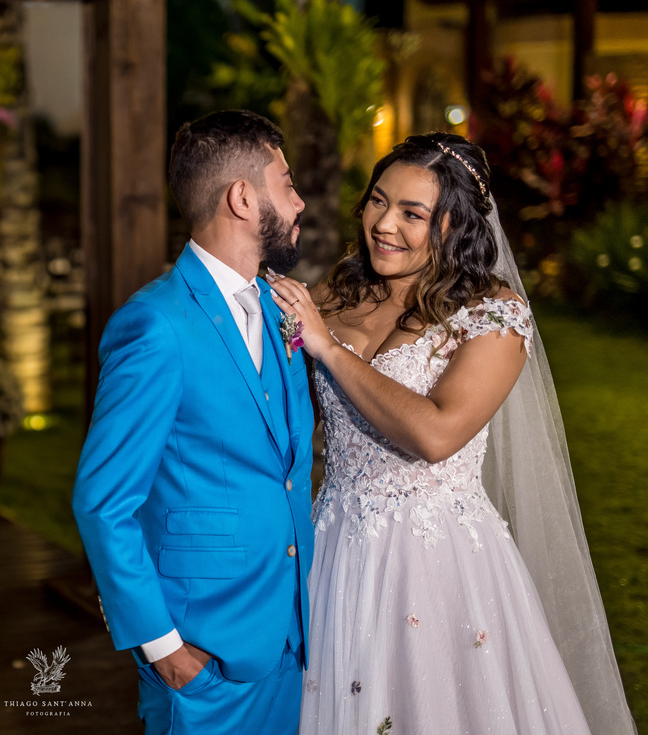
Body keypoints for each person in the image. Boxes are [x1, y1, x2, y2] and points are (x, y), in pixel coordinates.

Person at [265, 132, 636, 734]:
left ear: (455, 227)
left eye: (412, 213)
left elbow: (437, 433)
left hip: (436, 560)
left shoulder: (493, 315)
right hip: (333, 547)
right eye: (378, 200)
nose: (384, 224)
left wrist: (328, 349)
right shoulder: (336, 294)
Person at [72, 109, 315, 734]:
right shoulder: (155, 325)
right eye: (287, 184)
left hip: (292, 639)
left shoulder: (281, 306)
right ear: (243, 198)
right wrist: (164, 649)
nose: (299, 202)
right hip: (205, 659)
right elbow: (103, 501)